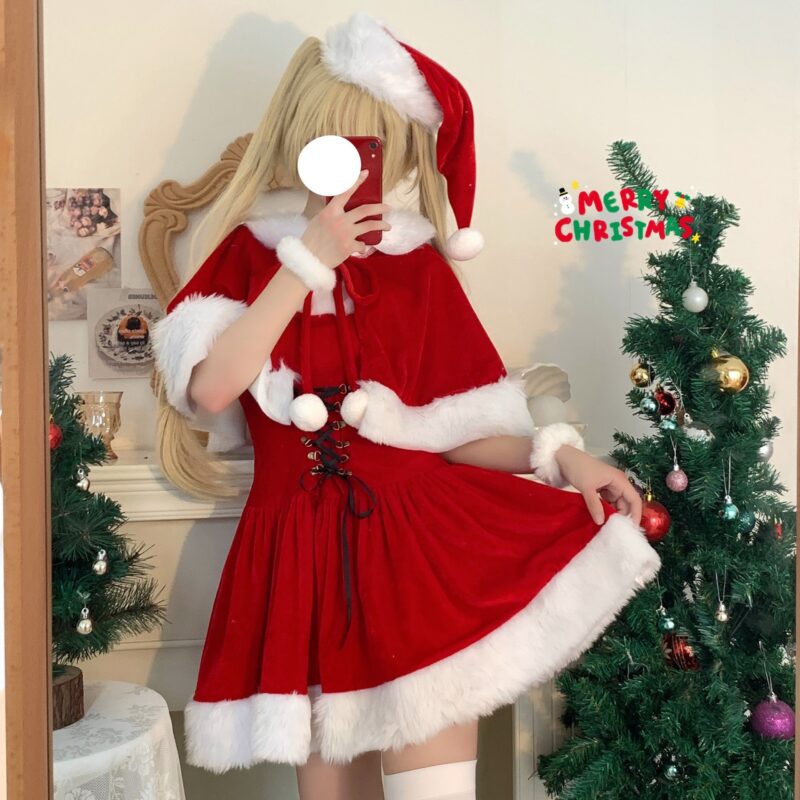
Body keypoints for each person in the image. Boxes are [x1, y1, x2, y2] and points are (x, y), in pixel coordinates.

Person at [151, 12, 660, 800]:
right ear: (297, 135)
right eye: (332, 140)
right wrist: (306, 263)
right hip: (301, 567)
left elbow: (458, 433)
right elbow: (211, 388)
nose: (354, 165)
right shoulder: (249, 256)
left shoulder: (416, 266)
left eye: (372, 144)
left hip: (419, 561)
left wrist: (563, 456)